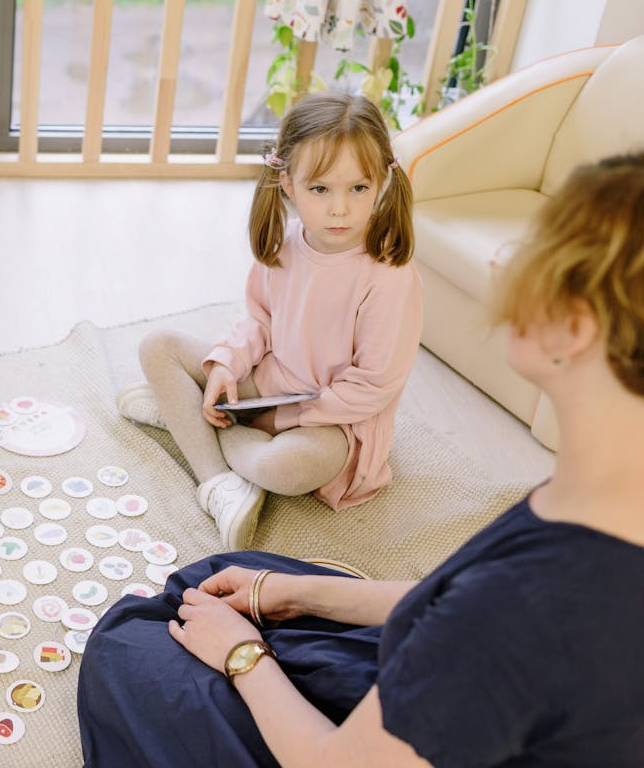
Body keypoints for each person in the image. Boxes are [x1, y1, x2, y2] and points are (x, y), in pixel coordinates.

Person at [78, 153, 644, 767]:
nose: (507, 262)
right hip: (464, 701)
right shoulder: (600, 492)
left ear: (578, 327)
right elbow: (451, 600)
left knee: (127, 645)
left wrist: (245, 657)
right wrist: (294, 594)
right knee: (218, 580)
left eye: (536, 250)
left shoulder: (521, 607)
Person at [117, 92, 422, 549]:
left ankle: (188, 424)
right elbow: (259, 321)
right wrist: (227, 364)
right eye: (320, 189)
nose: (340, 208)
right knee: (156, 346)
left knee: (285, 469)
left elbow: (374, 387)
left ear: (381, 182)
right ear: (288, 184)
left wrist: (285, 417)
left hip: (334, 422)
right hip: (272, 385)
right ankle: (218, 485)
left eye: (358, 188)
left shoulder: (389, 276)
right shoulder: (287, 244)